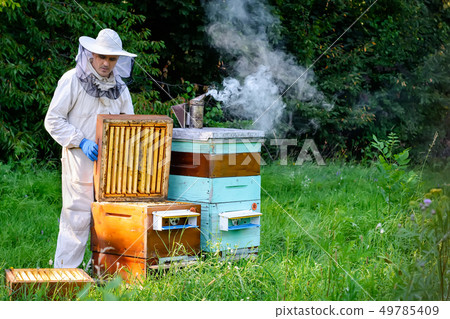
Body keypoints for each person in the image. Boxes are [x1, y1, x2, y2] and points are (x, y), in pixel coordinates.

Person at [45, 29, 137, 268]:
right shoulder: (72, 80)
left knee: (111, 223)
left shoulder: (121, 89)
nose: (106, 63)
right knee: (76, 221)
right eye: (102, 57)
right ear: (91, 55)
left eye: (112, 58)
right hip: (80, 163)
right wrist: (81, 140)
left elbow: (131, 125)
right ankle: (66, 277)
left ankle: (105, 275)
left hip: (114, 169)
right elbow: (53, 120)